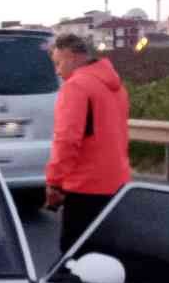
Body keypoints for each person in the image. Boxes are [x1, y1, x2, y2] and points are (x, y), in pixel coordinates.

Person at [44, 33, 131, 253]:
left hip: (85, 190)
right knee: (107, 259)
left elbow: (67, 140)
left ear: (72, 56)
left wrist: (54, 183)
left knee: (74, 263)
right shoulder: (117, 87)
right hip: (118, 186)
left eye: (58, 63)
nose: (57, 71)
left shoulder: (76, 87)